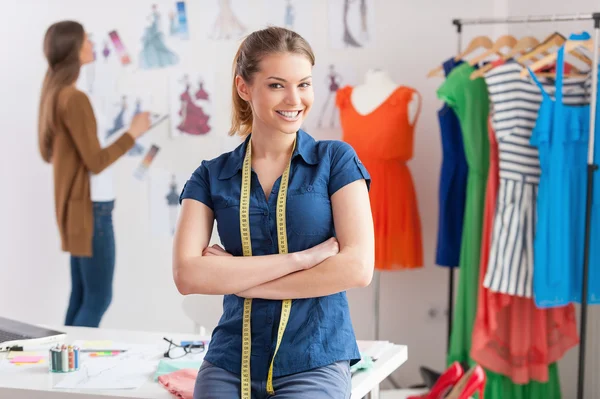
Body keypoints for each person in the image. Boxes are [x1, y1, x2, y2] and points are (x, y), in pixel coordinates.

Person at [173, 26, 375, 399]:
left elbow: (357, 268)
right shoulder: (210, 175)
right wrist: (305, 259)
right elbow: (188, 275)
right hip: (231, 359)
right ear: (244, 87)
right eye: (277, 85)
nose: (295, 98)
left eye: (304, 84)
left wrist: (236, 278)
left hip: (314, 358)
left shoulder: (337, 161)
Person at [38, 20, 151, 327]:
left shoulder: (57, 94)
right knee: (99, 298)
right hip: (93, 210)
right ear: (74, 49)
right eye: (85, 40)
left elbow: (57, 152)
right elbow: (96, 161)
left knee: (82, 295)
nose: (90, 44)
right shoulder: (73, 98)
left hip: (81, 208)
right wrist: (133, 133)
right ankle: (67, 368)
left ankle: (61, 365)